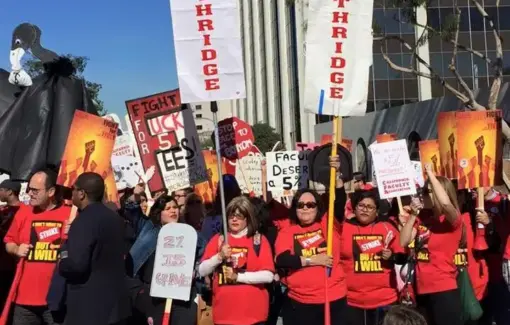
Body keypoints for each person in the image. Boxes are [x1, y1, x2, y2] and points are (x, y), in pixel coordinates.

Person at [274, 156, 347, 325]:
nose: (305, 208)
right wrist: (312, 260)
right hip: (300, 303)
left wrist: (336, 175)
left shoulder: (328, 224)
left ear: (317, 207)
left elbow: (339, 201)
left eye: (310, 205)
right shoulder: (288, 231)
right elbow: (282, 260)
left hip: (332, 298)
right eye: (301, 205)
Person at [59, 172, 130, 325]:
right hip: (115, 307)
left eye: (74, 189)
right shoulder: (115, 218)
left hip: (89, 308)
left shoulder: (84, 221)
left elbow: (77, 265)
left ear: (82, 193)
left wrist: (63, 255)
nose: (72, 192)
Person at [3, 168, 71, 325]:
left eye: (35, 190)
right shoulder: (23, 212)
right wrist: (15, 249)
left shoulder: (69, 214)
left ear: (51, 191)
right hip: (24, 299)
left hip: (56, 299)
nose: (29, 193)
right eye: (29, 189)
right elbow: (9, 242)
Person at [126, 194, 205, 325]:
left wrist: (195, 273)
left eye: (175, 207)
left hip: (184, 298)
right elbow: (132, 211)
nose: (173, 211)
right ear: (159, 213)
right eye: (167, 208)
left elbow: (203, 261)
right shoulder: (149, 230)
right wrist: (134, 194)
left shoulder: (191, 234)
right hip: (155, 298)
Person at [399, 165, 462, 325]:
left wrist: (431, 176)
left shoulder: (452, 220)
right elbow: (403, 241)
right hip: (421, 288)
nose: (423, 196)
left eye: (427, 192)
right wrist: (413, 215)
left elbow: (446, 205)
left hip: (443, 288)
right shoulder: (424, 219)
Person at [199, 196, 275, 325]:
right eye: (231, 216)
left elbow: (268, 276)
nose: (234, 219)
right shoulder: (219, 239)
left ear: (248, 218)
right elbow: (202, 270)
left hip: (253, 316)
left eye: (239, 216)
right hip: (224, 315)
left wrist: (238, 277)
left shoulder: (258, 240)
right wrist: (218, 257)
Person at [341, 190, 405, 325]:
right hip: (352, 301)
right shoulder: (344, 228)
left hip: (384, 300)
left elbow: (403, 257)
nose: (365, 210)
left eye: (370, 207)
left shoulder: (387, 226)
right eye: (361, 205)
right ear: (354, 208)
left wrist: (391, 256)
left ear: (376, 211)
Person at [0, 180, 23, 307]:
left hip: (12, 263)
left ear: (9, 192)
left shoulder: (24, 211)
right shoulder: (3, 210)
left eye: (1, 189)